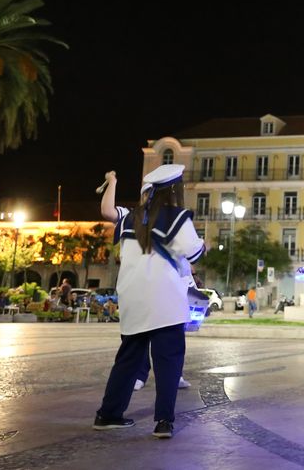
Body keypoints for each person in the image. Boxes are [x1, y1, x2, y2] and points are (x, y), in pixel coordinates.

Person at [93, 165, 206, 439]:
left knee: (128, 361)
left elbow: (107, 211)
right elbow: (195, 255)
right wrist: (205, 245)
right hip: (165, 301)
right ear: (174, 191)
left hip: (133, 300)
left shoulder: (131, 217)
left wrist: (111, 182)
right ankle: (163, 422)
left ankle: (108, 415)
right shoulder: (177, 218)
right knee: (168, 362)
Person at [99, 177, 192, 393]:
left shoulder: (167, 218)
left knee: (152, 338)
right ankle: (148, 377)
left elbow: (181, 254)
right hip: (152, 290)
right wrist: (113, 182)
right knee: (153, 338)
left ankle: (167, 376)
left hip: (155, 289)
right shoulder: (135, 216)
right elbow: (107, 211)